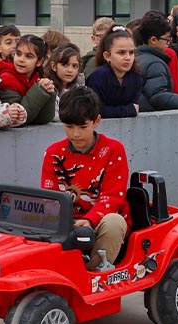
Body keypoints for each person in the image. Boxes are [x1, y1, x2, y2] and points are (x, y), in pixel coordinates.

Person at [41, 86, 130, 270]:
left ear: (96, 121)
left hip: (101, 221)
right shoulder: (53, 153)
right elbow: (49, 197)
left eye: (83, 127)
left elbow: (112, 197)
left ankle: (91, 273)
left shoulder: (113, 150)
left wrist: (89, 220)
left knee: (114, 223)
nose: (75, 134)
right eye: (69, 127)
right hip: (65, 223)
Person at [135, 13, 178, 113]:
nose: (169, 43)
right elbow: (157, 95)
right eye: (166, 39)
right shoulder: (155, 64)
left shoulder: (137, 58)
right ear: (153, 40)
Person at [0, 34, 56, 126]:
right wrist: (40, 91)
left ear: (39, 62)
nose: (21, 60)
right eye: (18, 54)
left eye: (28, 56)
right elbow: (18, 118)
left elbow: (44, 118)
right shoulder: (6, 79)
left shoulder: (36, 78)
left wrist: (48, 92)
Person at [86, 29, 142, 117]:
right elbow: (95, 111)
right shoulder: (99, 76)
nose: (128, 58)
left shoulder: (135, 76)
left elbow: (135, 107)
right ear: (107, 56)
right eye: (121, 53)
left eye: (131, 52)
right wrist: (127, 110)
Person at [45, 43, 85, 111]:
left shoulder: (78, 88)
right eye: (65, 65)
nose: (70, 70)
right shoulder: (47, 87)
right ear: (53, 66)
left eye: (75, 66)